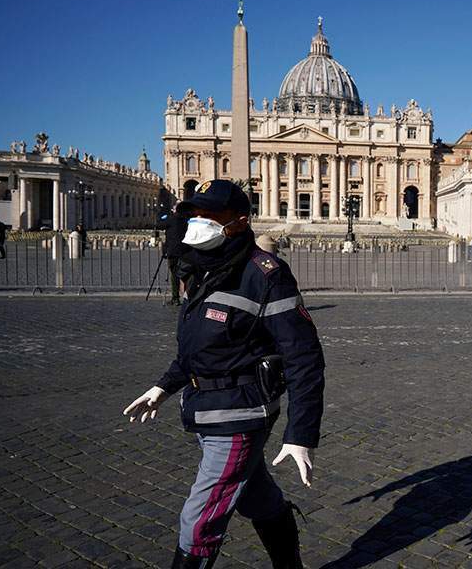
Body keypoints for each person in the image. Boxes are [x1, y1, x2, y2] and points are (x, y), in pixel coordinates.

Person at [123, 180, 326, 568]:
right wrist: (163, 387)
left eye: (210, 215)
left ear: (239, 221)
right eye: (194, 214)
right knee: (256, 497)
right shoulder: (200, 268)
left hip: (240, 415)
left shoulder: (265, 274)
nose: (198, 222)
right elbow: (199, 347)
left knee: (199, 520)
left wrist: (301, 435)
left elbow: (304, 358)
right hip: (203, 407)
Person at [157, 205, 191, 305]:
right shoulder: (186, 220)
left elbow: (159, 225)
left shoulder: (171, 219)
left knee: (174, 274)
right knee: (186, 274)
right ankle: (187, 296)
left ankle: (175, 298)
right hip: (185, 251)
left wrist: (161, 215)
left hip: (173, 251)